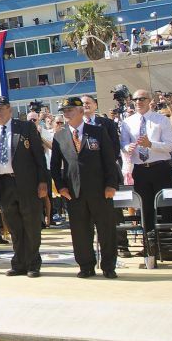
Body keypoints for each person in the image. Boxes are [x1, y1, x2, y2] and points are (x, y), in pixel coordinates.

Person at [50, 97, 122, 278]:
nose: (66, 113)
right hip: (74, 193)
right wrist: (61, 187)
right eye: (64, 111)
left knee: (106, 230)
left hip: (100, 191)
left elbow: (109, 160)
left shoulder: (97, 132)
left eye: (70, 110)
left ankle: (108, 266)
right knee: (80, 232)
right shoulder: (60, 136)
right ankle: (85, 265)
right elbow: (55, 165)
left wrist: (111, 185)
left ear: (81, 111)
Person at [0, 96, 49, 277]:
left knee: (31, 223)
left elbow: (39, 156)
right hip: (3, 184)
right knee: (13, 226)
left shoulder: (25, 127)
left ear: (9, 109)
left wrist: (43, 181)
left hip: (26, 182)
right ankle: (19, 262)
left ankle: (33, 263)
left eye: (1, 109)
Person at [119, 90, 172, 239]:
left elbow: (170, 146)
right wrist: (127, 148)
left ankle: (167, 242)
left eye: (142, 99)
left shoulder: (161, 120)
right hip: (140, 169)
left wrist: (151, 144)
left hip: (160, 167)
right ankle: (149, 245)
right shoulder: (128, 122)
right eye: (135, 99)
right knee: (145, 209)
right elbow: (124, 143)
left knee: (165, 208)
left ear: (150, 100)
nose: (138, 102)